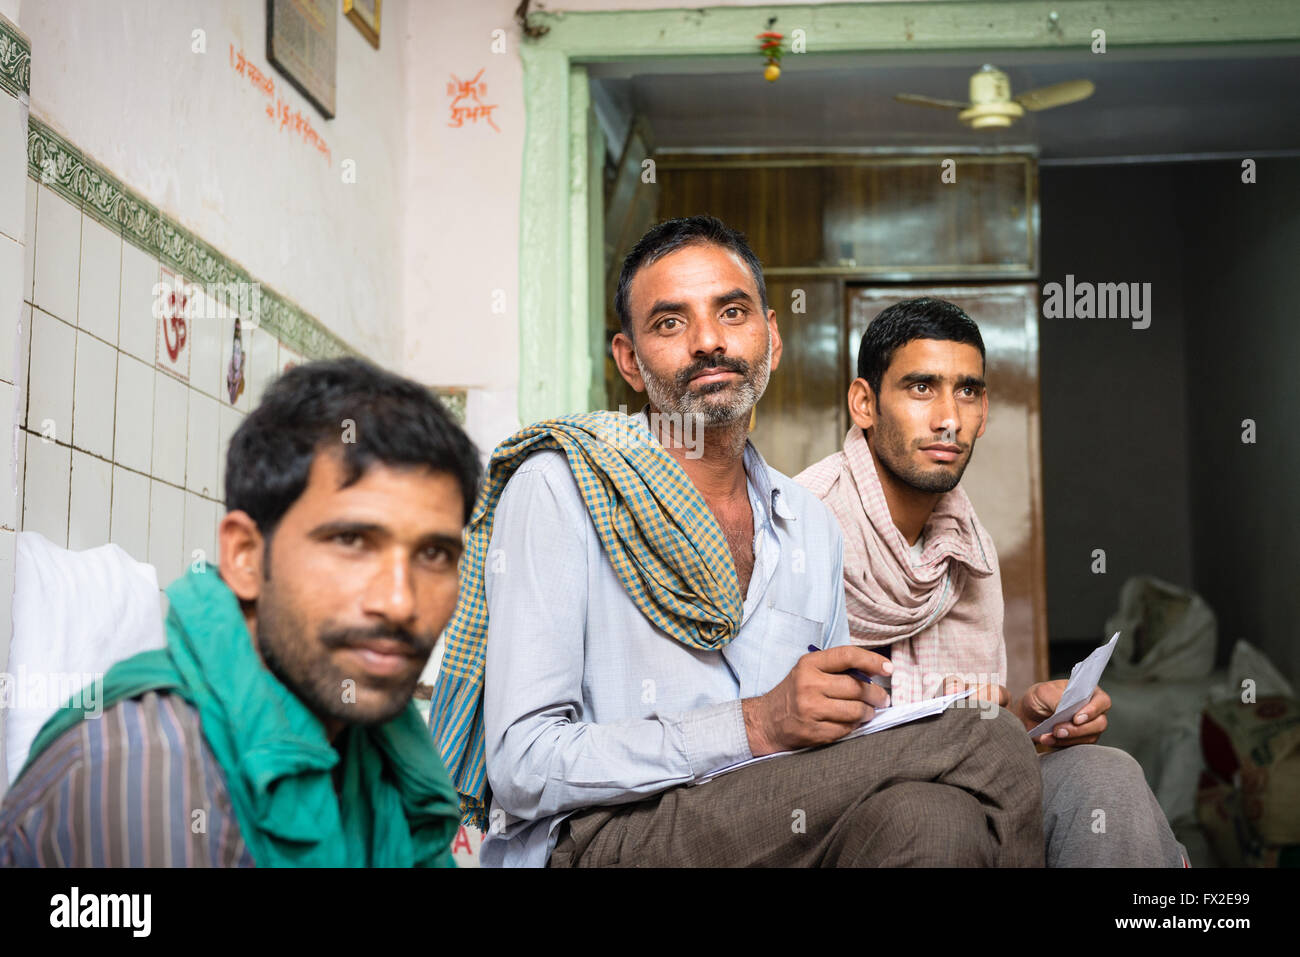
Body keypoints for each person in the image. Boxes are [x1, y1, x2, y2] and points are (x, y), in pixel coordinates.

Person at [430, 216, 1045, 867]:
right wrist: (754, 724)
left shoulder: (807, 521)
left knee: (933, 816)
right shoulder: (561, 487)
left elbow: (838, 731)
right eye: (670, 322)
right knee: (986, 739)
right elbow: (523, 765)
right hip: (605, 834)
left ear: (771, 338)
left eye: (731, 311)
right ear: (630, 361)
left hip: (776, 824)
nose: (708, 342)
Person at [0, 358, 480, 867]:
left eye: (434, 555)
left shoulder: (377, 751)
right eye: (352, 541)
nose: (400, 602)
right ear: (245, 556)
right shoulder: (146, 771)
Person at [794, 297, 1187, 867]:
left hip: (966, 780)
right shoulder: (802, 527)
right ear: (865, 403)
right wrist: (964, 729)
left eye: (968, 391)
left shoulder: (966, 540)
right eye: (921, 388)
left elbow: (972, 736)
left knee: (1108, 777)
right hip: (849, 805)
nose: (949, 417)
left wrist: (1024, 722)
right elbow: (777, 746)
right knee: (933, 817)